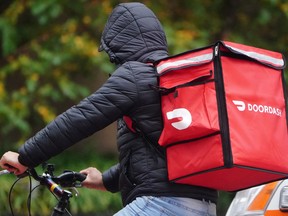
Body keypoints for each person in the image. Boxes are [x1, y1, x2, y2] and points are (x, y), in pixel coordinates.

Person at [0, 2, 217, 215]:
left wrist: (25, 157)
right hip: (204, 205)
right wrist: (105, 180)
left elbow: (80, 118)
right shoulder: (175, 83)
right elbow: (162, 155)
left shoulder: (135, 75)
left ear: (120, 44)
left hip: (161, 204)